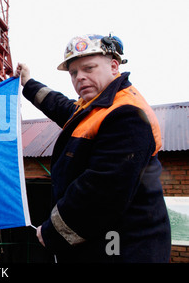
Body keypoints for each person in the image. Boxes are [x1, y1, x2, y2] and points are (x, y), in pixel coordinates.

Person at [15, 34, 171, 263]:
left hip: (124, 251)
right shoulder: (96, 106)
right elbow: (62, 107)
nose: (80, 77)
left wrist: (52, 232)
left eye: (89, 68)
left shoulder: (128, 115)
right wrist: (28, 83)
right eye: (74, 73)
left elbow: (101, 193)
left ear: (114, 66)